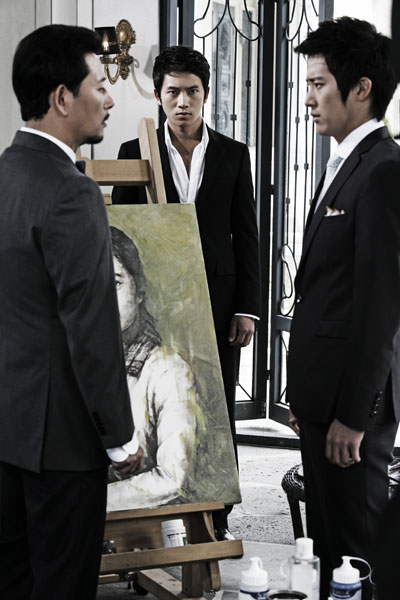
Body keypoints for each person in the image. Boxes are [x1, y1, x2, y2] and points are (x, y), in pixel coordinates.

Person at [0, 24, 142, 600]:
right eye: (99, 86)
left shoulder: (6, 173)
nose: (109, 100)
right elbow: (92, 328)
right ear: (62, 98)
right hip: (62, 443)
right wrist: (120, 438)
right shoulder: (71, 190)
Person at [112, 45, 261, 540]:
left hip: (220, 304)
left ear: (206, 94)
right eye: (173, 92)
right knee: (154, 405)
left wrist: (248, 308)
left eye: (192, 92)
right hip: (157, 304)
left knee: (215, 405)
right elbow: (124, 232)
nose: (182, 102)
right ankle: (150, 516)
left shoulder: (234, 154)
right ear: (158, 95)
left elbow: (247, 236)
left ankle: (217, 517)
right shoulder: (134, 152)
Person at [286, 17, 400, 600]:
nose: (308, 98)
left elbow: (381, 308)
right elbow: (325, 292)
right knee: (331, 548)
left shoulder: (382, 170)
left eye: (318, 84)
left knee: (354, 554)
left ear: (361, 88)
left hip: (349, 412)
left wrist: (354, 416)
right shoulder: (345, 163)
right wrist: (303, 394)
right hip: (322, 396)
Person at [107, 226, 200, 510]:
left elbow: (172, 478)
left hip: (130, 520)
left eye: (115, 283)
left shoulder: (166, 369)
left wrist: (87, 500)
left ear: (138, 290)